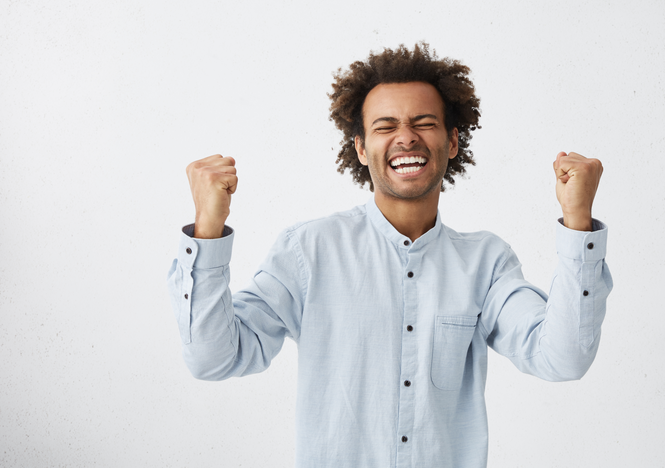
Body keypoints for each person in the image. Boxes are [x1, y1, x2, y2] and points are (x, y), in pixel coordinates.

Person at [168, 42, 612, 468]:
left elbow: (563, 357)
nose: (406, 138)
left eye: (424, 122)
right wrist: (207, 229)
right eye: (385, 126)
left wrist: (577, 220)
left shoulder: (487, 264)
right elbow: (214, 358)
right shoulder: (308, 252)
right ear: (361, 148)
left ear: (453, 142)